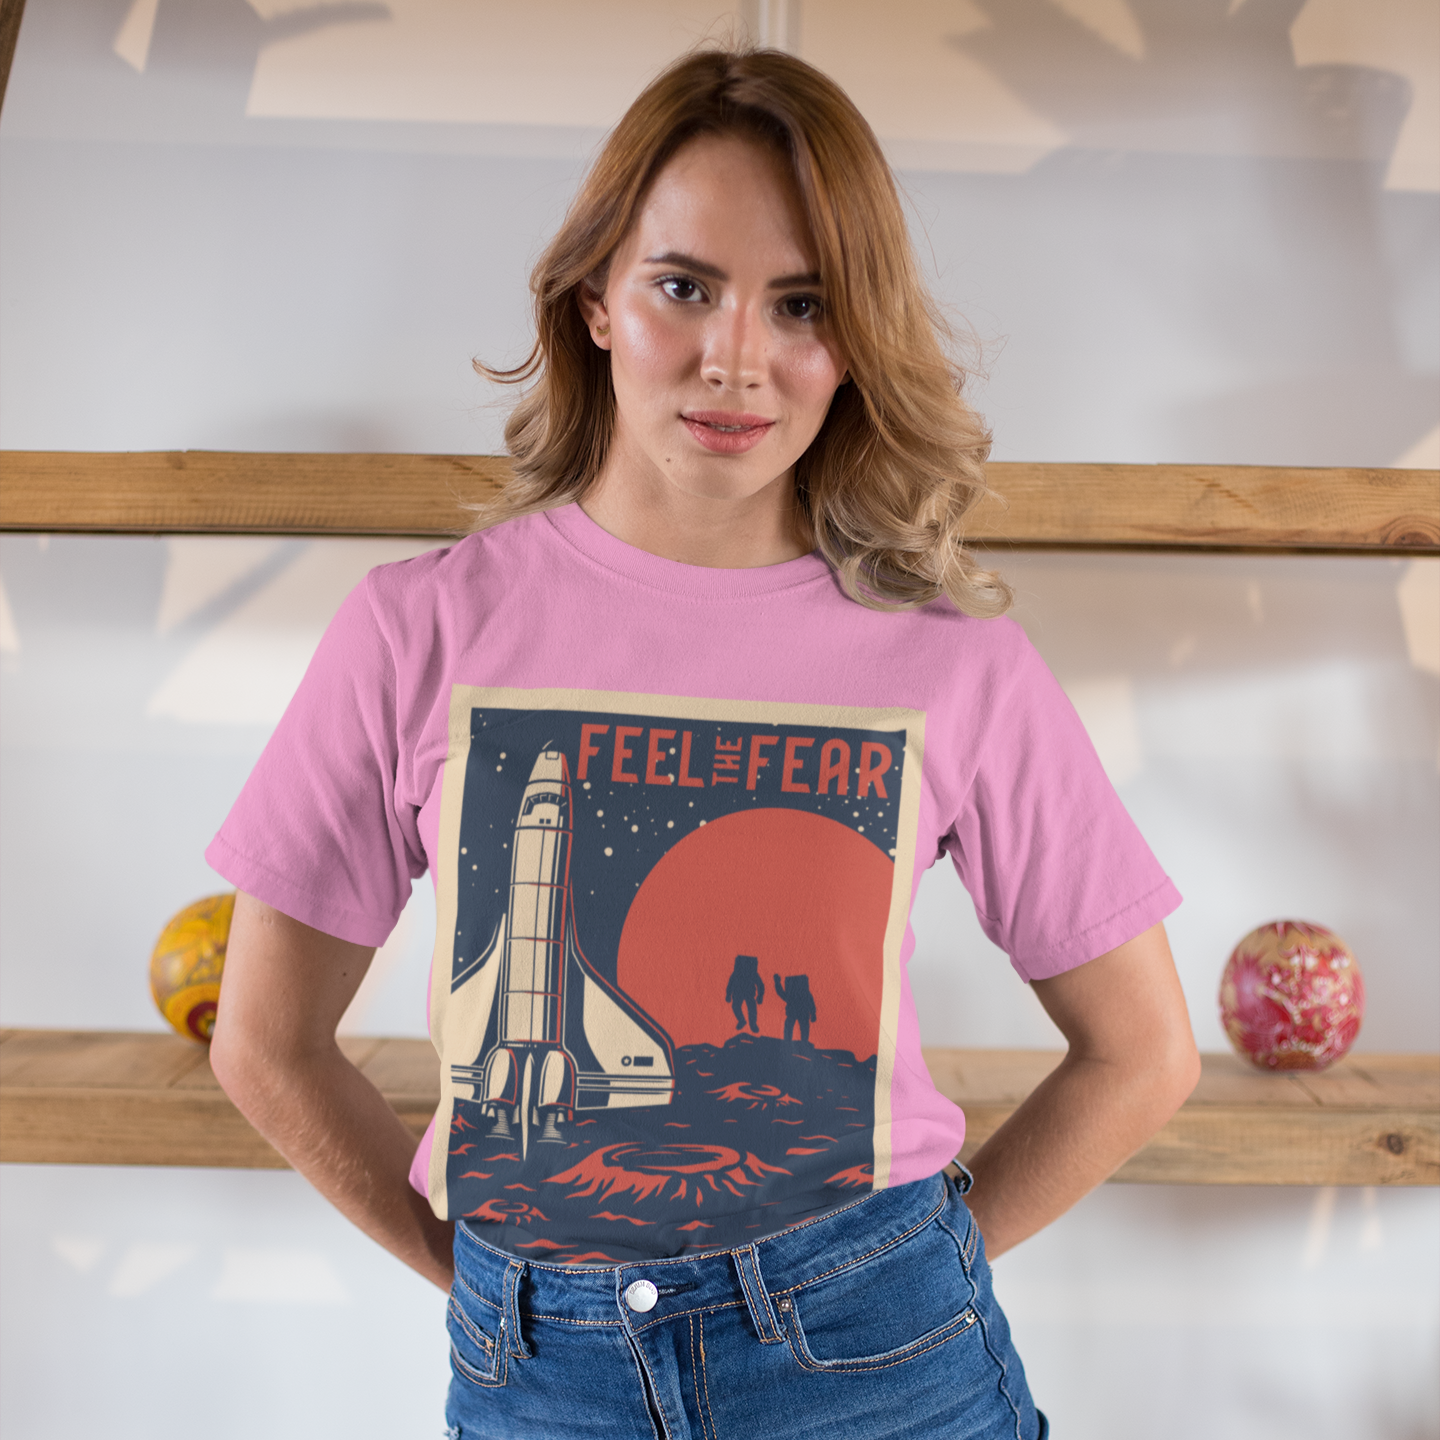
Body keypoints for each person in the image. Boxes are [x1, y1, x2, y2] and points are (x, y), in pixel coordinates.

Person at [208, 45, 1200, 1440]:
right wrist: (482, 1278)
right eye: (685, 286)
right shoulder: (416, 632)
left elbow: (1144, 1054)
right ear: (597, 298)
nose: (737, 357)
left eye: (804, 305)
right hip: (538, 1377)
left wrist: (899, 1274)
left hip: (879, 1374)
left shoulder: (954, 657)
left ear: (854, 346)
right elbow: (265, 1042)